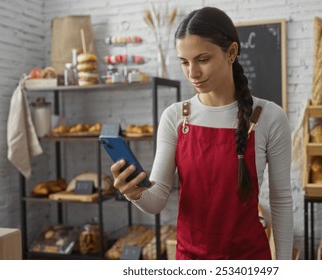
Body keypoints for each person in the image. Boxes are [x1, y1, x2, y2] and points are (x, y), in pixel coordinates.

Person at [111, 6, 293, 260]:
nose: (192, 73)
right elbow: (156, 200)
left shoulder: (269, 117)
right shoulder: (174, 117)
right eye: (184, 62)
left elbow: (281, 202)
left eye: (202, 59)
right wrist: (134, 193)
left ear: (231, 53)